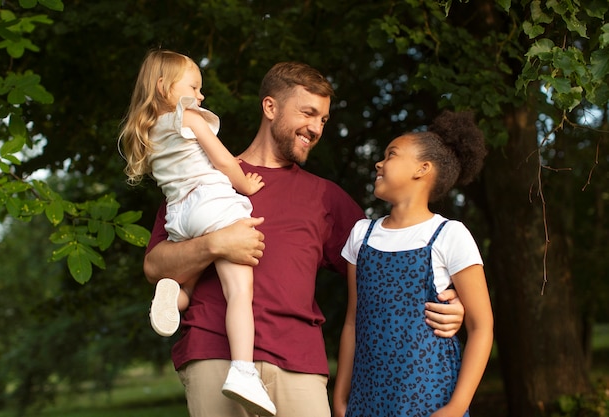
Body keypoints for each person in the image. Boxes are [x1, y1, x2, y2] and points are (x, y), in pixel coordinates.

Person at [143, 61, 467, 417]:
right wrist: (215, 244)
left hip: (299, 366)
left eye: (323, 120)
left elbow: (385, 268)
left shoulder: (325, 197)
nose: (315, 128)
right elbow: (155, 267)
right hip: (213, 354)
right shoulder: (205, 182)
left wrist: (449, 301)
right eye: (308, 113)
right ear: (270, 107)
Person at [119, 49, 275, 415]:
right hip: (211, 203)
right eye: (194, 86)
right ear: (164, 86)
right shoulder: (188, 115)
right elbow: (220, 159)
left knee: (191, 276)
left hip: (179, 216)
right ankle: (242, 371)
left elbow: (189, 165)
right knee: (238, 290)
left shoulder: (149, 130)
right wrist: (244, 183)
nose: (200, 95)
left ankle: (175, 295)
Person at [333, 111, 494, 417]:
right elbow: (353, 322)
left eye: (391, 154)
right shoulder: (361, 235)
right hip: (366, 400)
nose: (379, 163)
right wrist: (341, 398)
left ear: (423, 168)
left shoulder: (449, 235)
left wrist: (455, 408)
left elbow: (481, 326)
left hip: (431, 400)